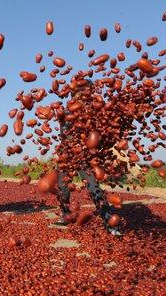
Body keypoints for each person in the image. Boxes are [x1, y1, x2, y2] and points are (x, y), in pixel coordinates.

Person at [54, 81, 122, 236]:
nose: (88, 95)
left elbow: (100, 133)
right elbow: (65, 134)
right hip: (66, 156)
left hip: (84, 157)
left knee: (93, 187)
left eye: (89, 92)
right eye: (84, 92)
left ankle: (110, 222)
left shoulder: (94, 111)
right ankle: (65, 214)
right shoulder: (67, 111)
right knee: (62, 188)